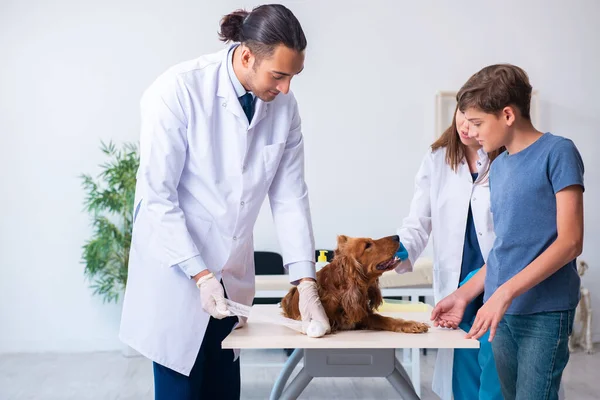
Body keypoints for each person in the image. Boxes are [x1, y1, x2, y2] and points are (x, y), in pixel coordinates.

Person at [118, 5, 331, 399]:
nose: (285, 89)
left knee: (222, 390)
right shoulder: (177, 90)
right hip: (178, 275)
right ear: (247, 56)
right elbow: (157, 198)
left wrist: (306, 283)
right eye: (279, 75)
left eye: (293, 77)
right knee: (180, 389)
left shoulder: (284, 106)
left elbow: (290, 197)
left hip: (230, 280)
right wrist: (199, 274)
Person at [431, 64, 584, 400]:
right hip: (500, 311)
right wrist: (464, 295)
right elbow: (505, 249)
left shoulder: (558, 152)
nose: (470, 132)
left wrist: (505, 292)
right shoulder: (498, 168)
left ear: (508, 115)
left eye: (477, 123)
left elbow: (571, 242)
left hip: (544, 311)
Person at [395, 105, 503, 400]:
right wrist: (400, 250)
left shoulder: (507, 156)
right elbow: (419, 220)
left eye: (475, 120)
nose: (465, 126)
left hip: (499, 277)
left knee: (497, 368)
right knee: (464, 362)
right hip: (458, 283)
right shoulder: (437, 158)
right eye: (461, 114)